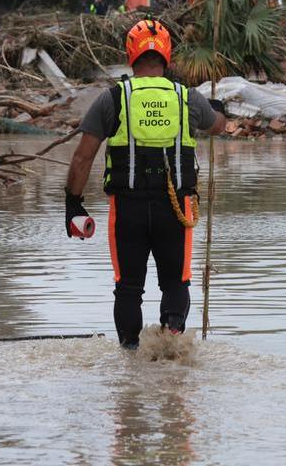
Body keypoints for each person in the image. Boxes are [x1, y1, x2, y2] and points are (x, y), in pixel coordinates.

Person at [63, 18, 227, 349]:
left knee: (128, 288)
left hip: (128, 210)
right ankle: (171, 346)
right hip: (176, 211)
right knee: (176, 283)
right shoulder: (188, 98)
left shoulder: (112, 99)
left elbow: (82, 158)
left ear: (130, 55)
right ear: (167, 55)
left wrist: (73, 203)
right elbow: (217, 126)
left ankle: (130, 360)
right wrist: (217, 109)